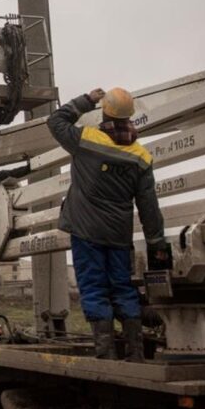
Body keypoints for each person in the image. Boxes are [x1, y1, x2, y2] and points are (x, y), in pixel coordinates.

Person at [47, 87, 171, 362]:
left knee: (94, 288)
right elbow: (149, 207)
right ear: (130, 116)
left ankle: (106, 353)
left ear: (104, 111)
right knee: (122, 288)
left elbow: (55, 121)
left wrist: (86, 100)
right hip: (118, 236)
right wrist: (156, 243)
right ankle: (136, 352)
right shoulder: (140, 157)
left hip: (86, 232)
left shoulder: (86, 140)